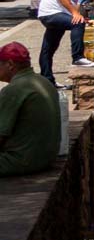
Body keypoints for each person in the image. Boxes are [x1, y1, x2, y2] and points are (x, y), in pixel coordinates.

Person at [0, 41, 60, 176]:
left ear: (10, 64)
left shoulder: (14, 89)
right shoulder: (44, 81)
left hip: (21, 160)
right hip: (45, 158)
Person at [35, 0, 91, 80]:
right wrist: (75, 13)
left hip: (59, 14)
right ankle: (78, 57)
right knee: (78, 22)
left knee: (48, 49)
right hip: (51, 14)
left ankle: (47, 79)